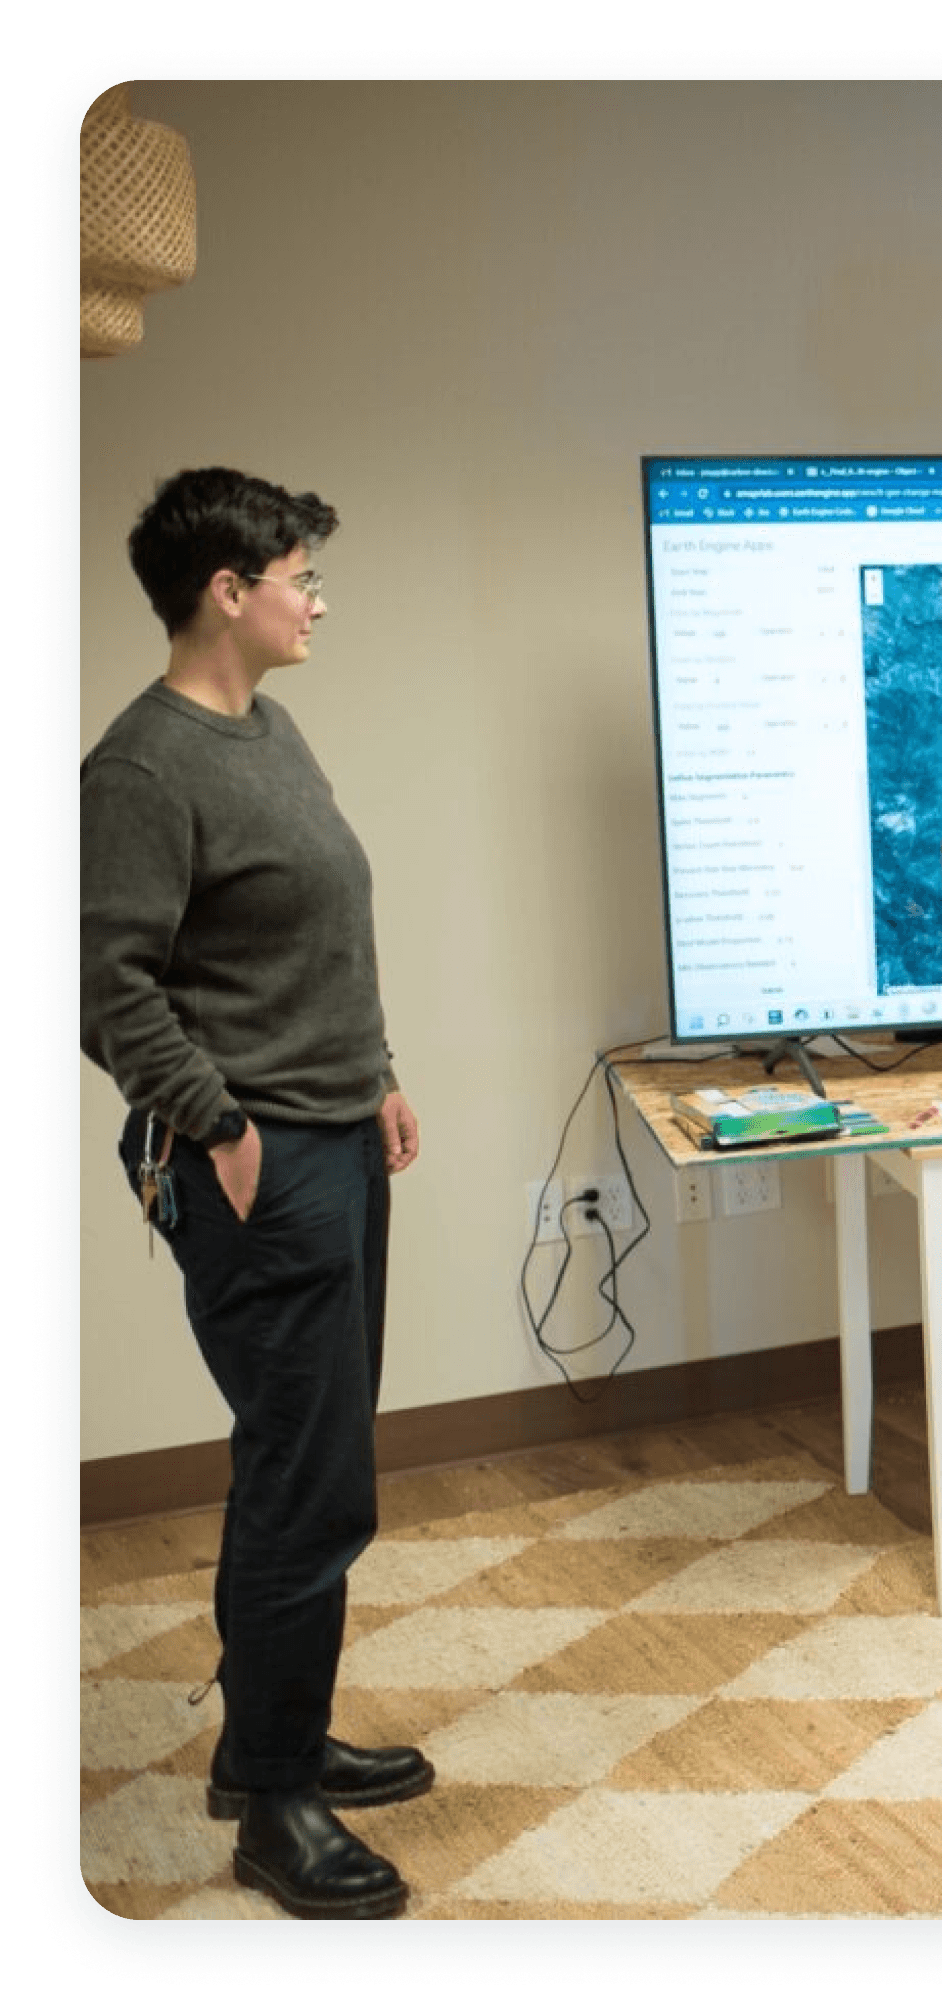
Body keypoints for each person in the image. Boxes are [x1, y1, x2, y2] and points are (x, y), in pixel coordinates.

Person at [80, 468, 429, 1920]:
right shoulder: (143, 769)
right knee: (306, 1476)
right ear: (227, 591)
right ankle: (272, 1806)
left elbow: (317, 931)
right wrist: (221, 1128)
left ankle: (267, 1743)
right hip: (259, 1163)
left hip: (338, 1134)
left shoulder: (270, 731)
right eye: (300, 578)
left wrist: (379, 1071)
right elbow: (107, 985)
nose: (317, 602)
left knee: (323, 1453)